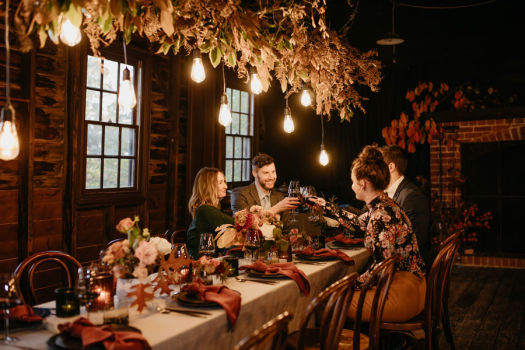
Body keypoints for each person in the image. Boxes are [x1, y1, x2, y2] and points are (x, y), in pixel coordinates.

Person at [313, 145, 426, 323]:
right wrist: (324, 206)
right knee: (335, 293)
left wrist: (347, 282)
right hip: (411, 283)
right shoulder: (384, 204)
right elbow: (358, 223)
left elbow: (382, 268)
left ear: (363, 183)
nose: (351, 186)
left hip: (402, 292)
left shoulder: (381, 215)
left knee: (324, 301)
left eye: (352, 181)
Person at [380, 145, 431, 269]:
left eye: (378, 168)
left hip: (412, 268)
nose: (374, 173)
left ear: (390, 167)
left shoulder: (411, 196)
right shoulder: (391, 193)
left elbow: (414, 243)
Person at [230, 153, 300, 217]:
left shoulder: (279, 197)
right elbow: (245, 224)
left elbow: (287, 225)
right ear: (254, 173)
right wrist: (276, 209)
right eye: (266, 173)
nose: (271, 177)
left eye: (273, 172)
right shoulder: (239, 194)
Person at [186, 167, 234, 259]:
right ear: (208, 186)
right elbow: (237, 223)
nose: (226, 186)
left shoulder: (208, 209)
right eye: (220, 183)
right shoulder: (205, 210)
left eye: (224, 181)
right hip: (199, 265)